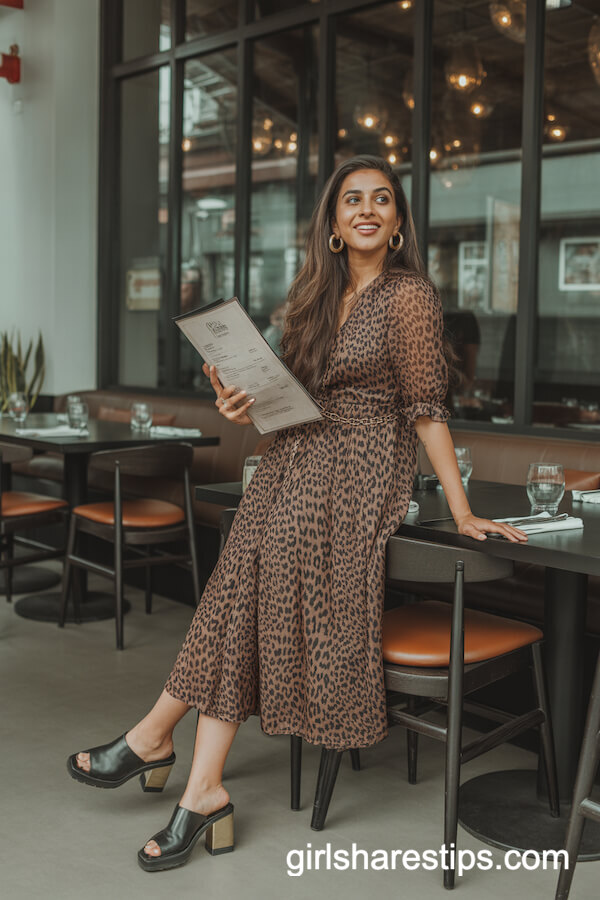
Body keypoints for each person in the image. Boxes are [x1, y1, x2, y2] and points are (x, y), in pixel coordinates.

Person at [67, 155, 527, 873]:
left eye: (382, 199)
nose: (367, 209)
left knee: (240, 582)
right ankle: (197, 782)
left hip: (360, 466)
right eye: (352, 200)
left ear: (399, 222)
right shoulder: (316, 293)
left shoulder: (408, 297)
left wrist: (461, 511)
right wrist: (236, 404)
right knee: (235, 591)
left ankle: (159, 744)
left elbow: (427, 411)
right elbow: (281, 397)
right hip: (292, 455)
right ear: (335, 223)